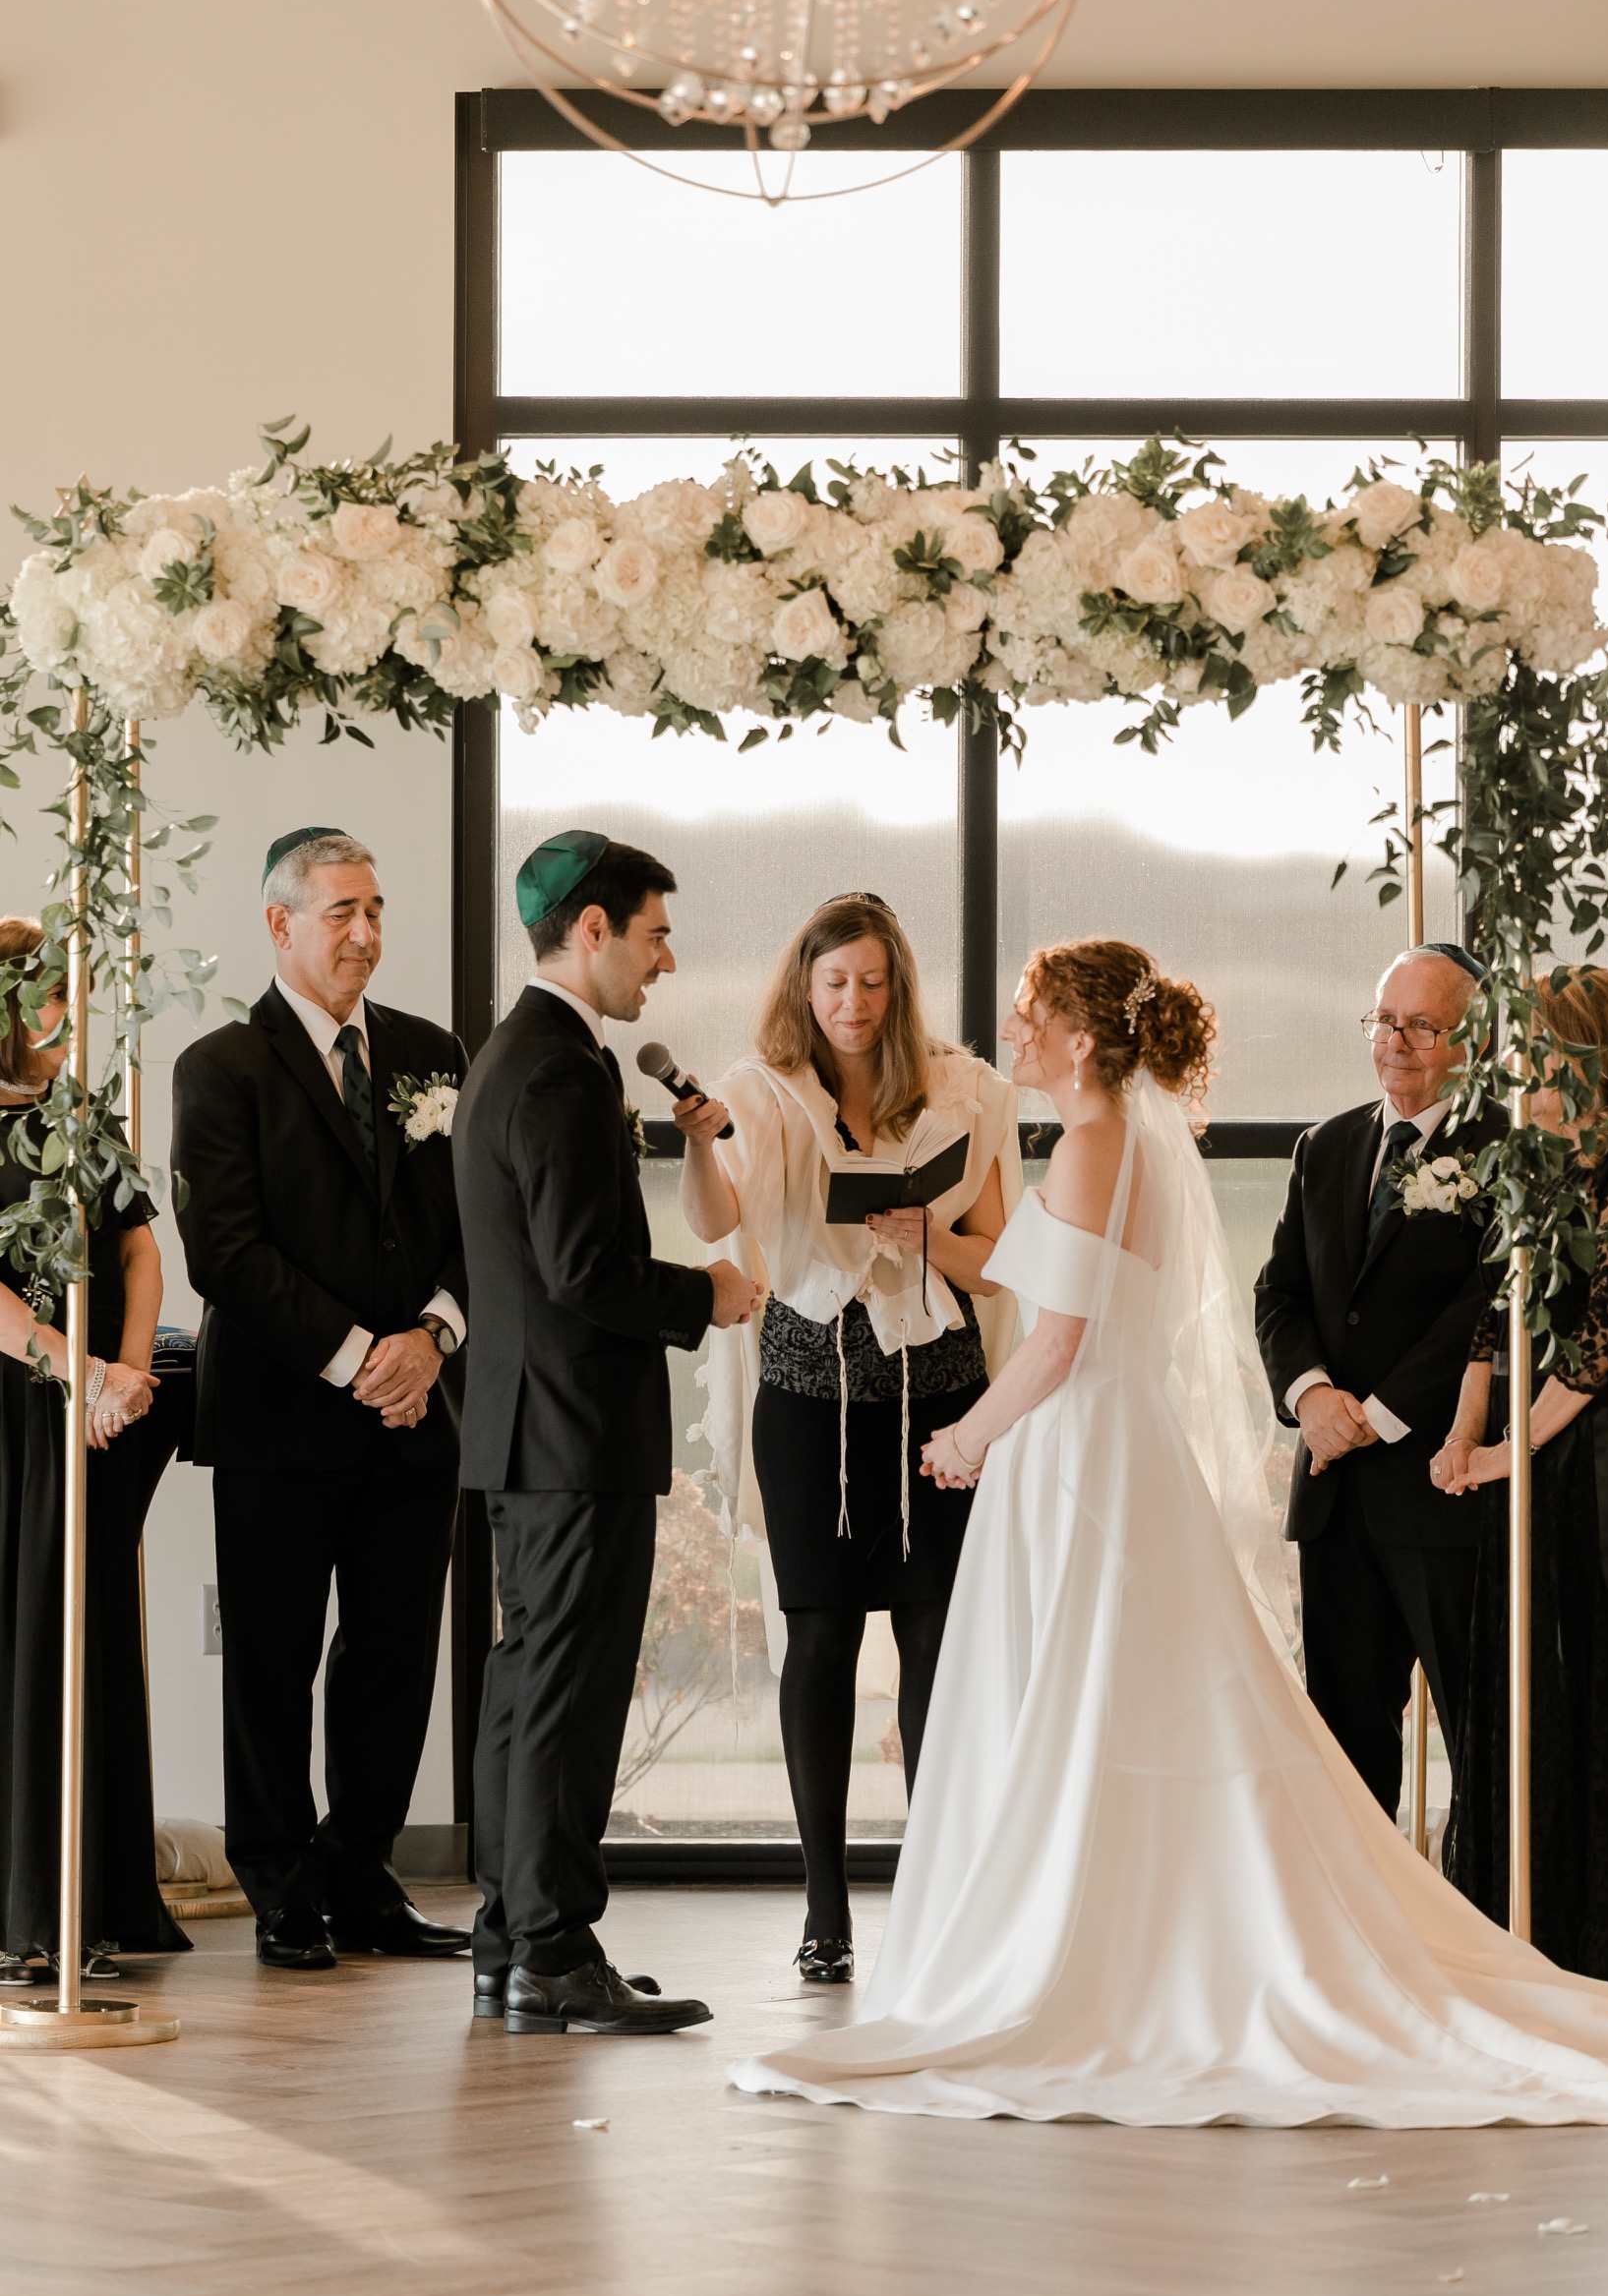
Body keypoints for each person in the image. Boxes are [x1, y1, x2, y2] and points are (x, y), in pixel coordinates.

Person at [731, 939, 1608, 2126]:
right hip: (1104, 1443)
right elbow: (1164, 1300)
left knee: (1090, 1693)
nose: (1014, 1033)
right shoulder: (1125, 1138)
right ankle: (1120, 1921)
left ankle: (1098, 1942)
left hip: (1082, 1445)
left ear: (1080, 1036)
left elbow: (1059, 1342)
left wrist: (967, 1437)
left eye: (1030, 1015)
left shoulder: (1099, 1142)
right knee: (1116, 1696)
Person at [453, 831, 758, 2037]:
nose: (665, 960)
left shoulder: (519, 1053)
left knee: (528, 1690)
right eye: (653, 934)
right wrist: (706, 1295)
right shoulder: (560, 1071)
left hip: (530, 1430)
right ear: (592, 930)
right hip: (571, 1433)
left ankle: (510, 1942)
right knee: (565, 1700)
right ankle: (553, 1949)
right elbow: (584, 1268)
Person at [686, 893, 1019, 1982]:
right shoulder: (758, 1089)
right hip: (808, 1397)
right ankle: (824, 1904)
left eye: (873, 981)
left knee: (933, 1644)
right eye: (835, 982)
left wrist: (928, 1236)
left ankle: (936, 1892)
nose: (854, 1002)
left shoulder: (969, 1090)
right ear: (804, 985)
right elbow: (714, 1218)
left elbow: (999, 1260)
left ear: (899, 987)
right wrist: (697, 1147)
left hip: (941, 1401)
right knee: (820, 1642)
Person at [171, 830, 470, 1972]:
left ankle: (363, 1874)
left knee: (394, 1653)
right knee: (273, 1656)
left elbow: (471, 1224)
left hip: (417, 1411)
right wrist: (359, 1358)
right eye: (341, 910)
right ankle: (281, 1884)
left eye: (375, 909)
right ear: (280, 923)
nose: (365, 932)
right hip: (278, 1415)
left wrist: (431, 1340)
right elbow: (225, 1251)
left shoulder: (431, 1054)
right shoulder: (220, 1066)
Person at [1253, 943, 1508, 1820]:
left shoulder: (1509, 1153)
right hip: (1334, 1497)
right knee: (1343, 1740)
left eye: (1420, 1026)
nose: (1393, 1042)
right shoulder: (1325, 1145)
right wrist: (1312, 1398)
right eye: (1383, 1020)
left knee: (1482, 1738)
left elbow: (1484, 1307)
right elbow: (1278, 1293)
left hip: (1445, 1489)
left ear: (1473, 1041)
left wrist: (1377, 1414)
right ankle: (1356, 1908)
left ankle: (1478, 1902)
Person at [1439, 966, 1608, 1982]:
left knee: (1606, 1676)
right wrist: (1463, 1430)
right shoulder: (1541, 1166)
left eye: (1536, 1056)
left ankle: (1607, 1930)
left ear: (1583, 1056)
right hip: (1536, 1455)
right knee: (1531, 1682)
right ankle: (1530, 1912)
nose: (1521, 1075)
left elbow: (1601, 1344)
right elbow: (1493, 1316)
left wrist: (1502, 1452)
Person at [0, 914, 188, 1982]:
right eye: (50, 1001)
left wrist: (129, 1370)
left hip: (99, 1402)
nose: (67, 1019)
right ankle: (22, 1912)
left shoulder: (80, 1115)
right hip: (17, 1408)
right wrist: (79, 1371)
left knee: (91, 1632)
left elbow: (141, 1250)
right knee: (21, 1634)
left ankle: (93, 1903)